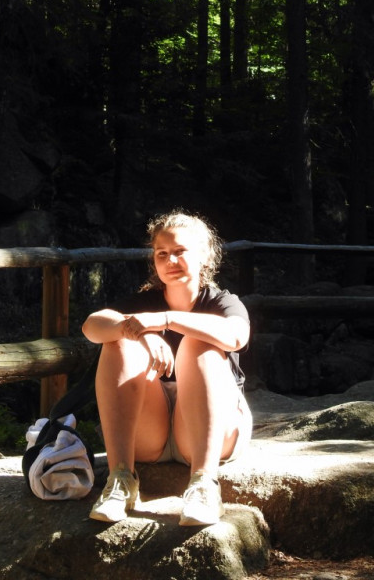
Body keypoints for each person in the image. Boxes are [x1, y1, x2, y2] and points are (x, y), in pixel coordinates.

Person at [82, 209, 252, 526]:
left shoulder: (223, 302)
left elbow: (237, 336)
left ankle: (204, 485)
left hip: (210, 433)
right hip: (151, 435)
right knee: (118, 341)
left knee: (197, 343)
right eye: (162, 253)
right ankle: (121, 479)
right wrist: (136, 332)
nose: (170, 260)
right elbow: (91, 326)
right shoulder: (142, 303)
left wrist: (166, 321)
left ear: (204, 256)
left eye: (180, 251)